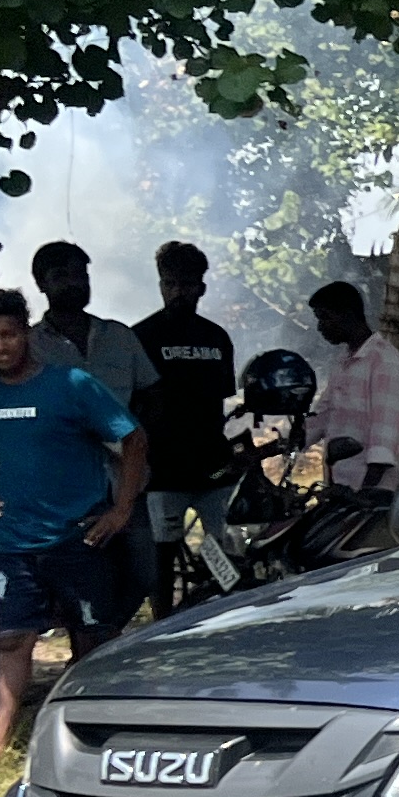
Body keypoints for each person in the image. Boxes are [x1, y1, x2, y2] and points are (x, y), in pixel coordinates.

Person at [0, 288, 147, 766]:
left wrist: (121, 509)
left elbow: (133, 438)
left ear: (25, 333)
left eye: (8, 334)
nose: (0, 346)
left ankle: (97, 736)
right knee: (13, 640)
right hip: (14, 544)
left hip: (78, 537)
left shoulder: (72, 384)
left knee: (91, 639)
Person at [26, 243, 159, 635]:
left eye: (80, 275)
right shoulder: (31, 346)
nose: (74, 283)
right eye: (61, 276)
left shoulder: (119, 336)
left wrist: (136, 434)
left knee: (143, 572)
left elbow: (152, 392)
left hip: (125, 479)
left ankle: (103, 640)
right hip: (64, 488)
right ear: (41, 284)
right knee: (79, 579)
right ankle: (88, 646)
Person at [127, 240, 236, 617]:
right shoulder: (141, 337)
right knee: (163, 552)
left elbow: (221, 400)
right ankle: (161, 624)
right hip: (163, 468)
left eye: (186, 284)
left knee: (223, 549)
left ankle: (225, 615)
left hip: (214, 467)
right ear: (160, 284)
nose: (177, 292)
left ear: (201, 287)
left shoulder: (217, 338)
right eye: (170, 284)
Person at [306, 281, 399, 493]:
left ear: (347, 314)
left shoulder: (384, 360)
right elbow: (322, 415)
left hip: (369, 492)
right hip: (339, 487)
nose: (320, 327)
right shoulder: (344, 361)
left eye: (325, 317)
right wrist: (271, 448)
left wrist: (364, 496)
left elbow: (384, 438)